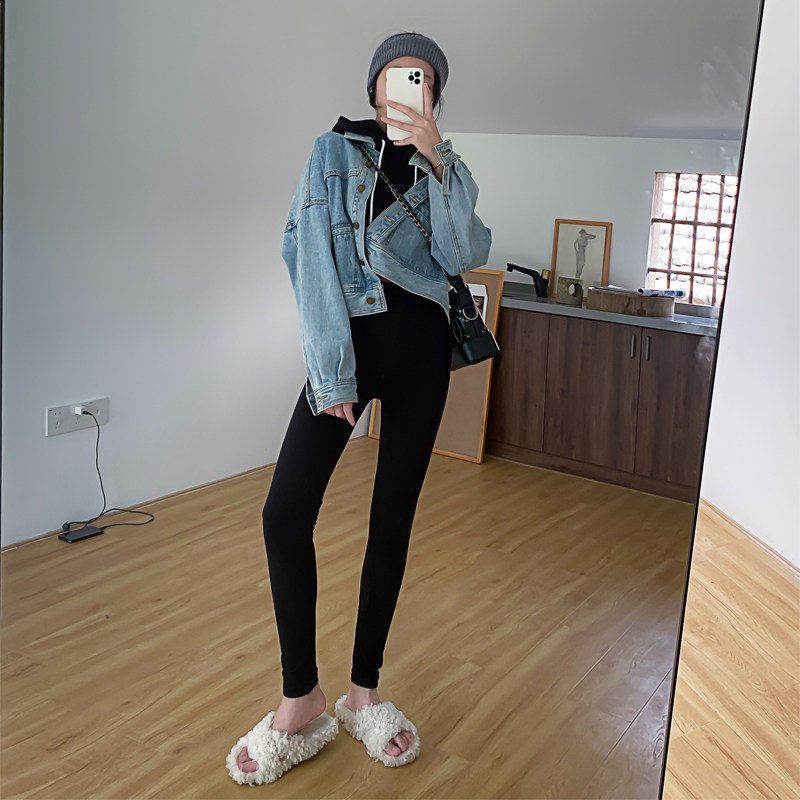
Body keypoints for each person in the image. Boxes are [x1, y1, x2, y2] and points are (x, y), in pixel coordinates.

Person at [233, 31, 492, 782]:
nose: (409, 86)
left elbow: (463, 254)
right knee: (284, 515)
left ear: (434, 96)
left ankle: (363, 694)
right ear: (374, 87)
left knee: (391, 524)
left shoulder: (449, 168)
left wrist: (439, 160)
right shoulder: (333, 153)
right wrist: (333, 373)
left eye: (424, 79)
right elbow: (308, 256)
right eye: (397, 75)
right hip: (347, 358)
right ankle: (301, 697)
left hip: (423, 364)